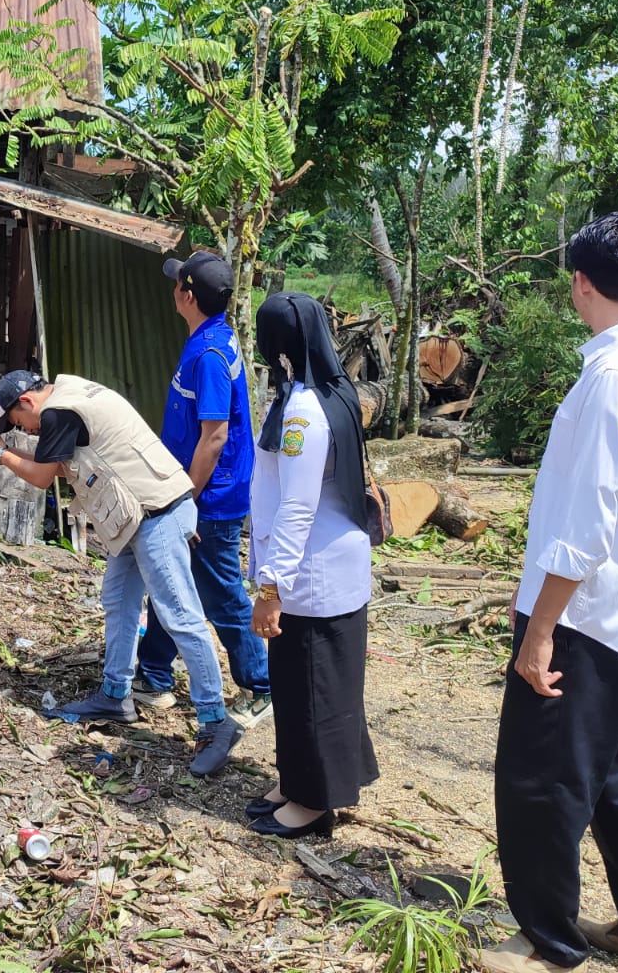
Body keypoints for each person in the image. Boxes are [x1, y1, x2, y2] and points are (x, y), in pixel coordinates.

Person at [479, 214, 618, 973]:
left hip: (585, 616)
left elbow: (586, 521)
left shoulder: (615, 375)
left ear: (581, 283)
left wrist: (541, 628)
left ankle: (548, 941)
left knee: (543, 785)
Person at [0, 371, 245, 776]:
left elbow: (43, 477)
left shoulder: (59, 412)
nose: (22, 430)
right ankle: (116, 694)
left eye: (16, 422)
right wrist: (4, 450)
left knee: (180, 616)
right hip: (139, 514)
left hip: (156, 513)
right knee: (118, 600)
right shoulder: (69, 395)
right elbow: (62, 466)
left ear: (26, 401)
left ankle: (215, 721)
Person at [245, 291, 377, 840]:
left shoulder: (303, 412)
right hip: (321, 563)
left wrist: (271, 587)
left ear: (280, 348)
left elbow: (297, 505)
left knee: (316, 690)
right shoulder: (327, 390)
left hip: (310, 571)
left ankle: (315, 801)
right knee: (298, 686)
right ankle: (295, 779)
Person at [132, 252, 270, 726]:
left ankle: (260, 683)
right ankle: (154, 674)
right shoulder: (212, 338)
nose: (173, 290)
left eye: (177, 284)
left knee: (221, 593)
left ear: (187, 295)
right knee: (170, 578)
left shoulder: (209, 356)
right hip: (201, 490)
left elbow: (215, 436)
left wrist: (187, 499)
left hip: (209, 497)